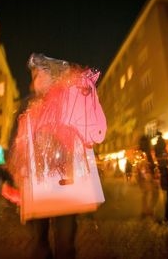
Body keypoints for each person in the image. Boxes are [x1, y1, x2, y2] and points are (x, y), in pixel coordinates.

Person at [8, 53, 105, 259]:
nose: (38, 80)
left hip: (66, 183)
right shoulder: (27, 106)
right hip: (36, 183)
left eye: (43, 74)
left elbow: (88, 129)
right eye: (34, 76)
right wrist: (16, 166)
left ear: (54, 76)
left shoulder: (70, 99)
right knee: (38, 240)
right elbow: (15, 138)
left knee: (65, 240)